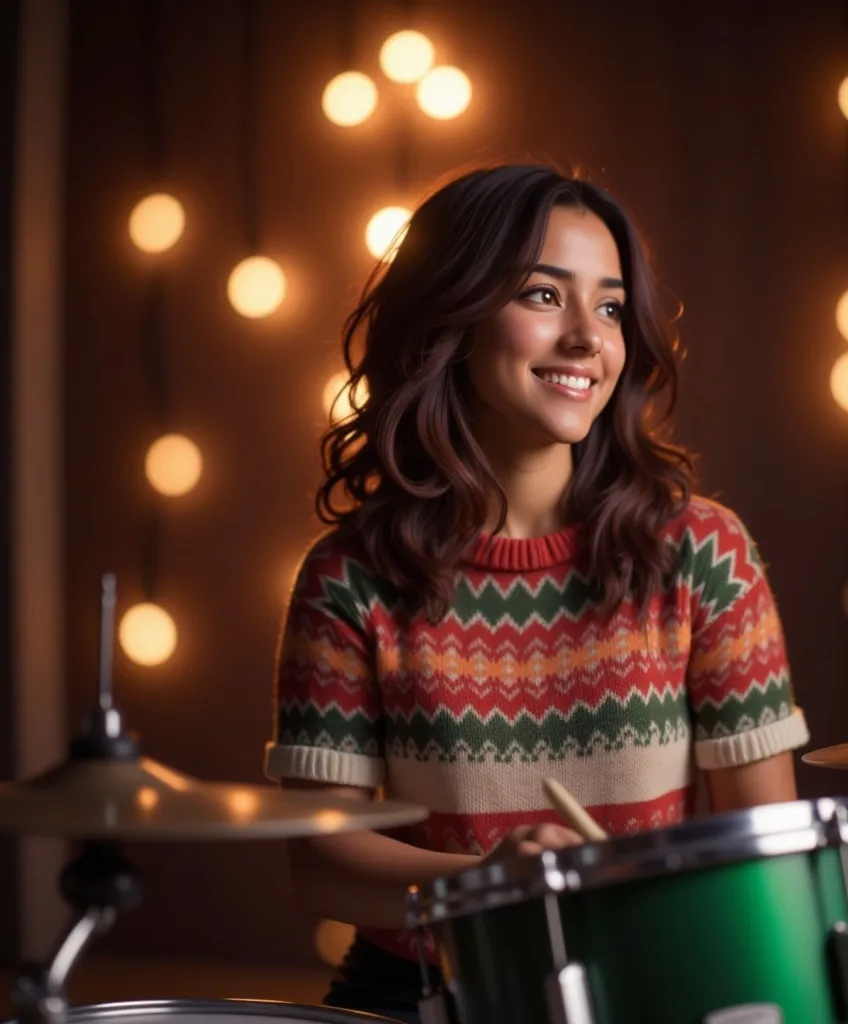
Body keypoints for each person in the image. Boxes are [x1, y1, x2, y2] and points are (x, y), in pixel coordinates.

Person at [264, 163, 810, 1022]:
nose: (589, 340)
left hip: (645, 990)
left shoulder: (702, 551)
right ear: (454, 314)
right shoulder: (349, 577)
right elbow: (320, 864)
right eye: (544, 297)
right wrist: (488, 883)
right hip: (422, 995)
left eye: (609, 305)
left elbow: (766, 853)